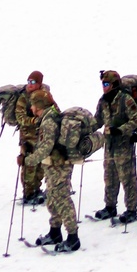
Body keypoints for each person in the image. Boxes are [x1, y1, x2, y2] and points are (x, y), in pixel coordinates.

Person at [23, 89, 87, 252]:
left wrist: (28, 160)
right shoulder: (47, 117)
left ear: (40, 105)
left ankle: (73, 237)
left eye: (33, 105)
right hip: (52, 166)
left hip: (59, 166)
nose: (31, 109)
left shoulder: (49, 121)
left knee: (62, 199)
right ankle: (55, 232)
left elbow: (46, 147)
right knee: (52, 199)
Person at [93, 69, 137, 224]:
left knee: (127, 178)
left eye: (106, 84)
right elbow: (98, 120)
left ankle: (132, 209)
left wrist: (120, 130)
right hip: (109, 145)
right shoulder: (103, 101)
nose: (104, 87)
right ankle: (110, 206)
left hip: (123, 145)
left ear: (114, 84)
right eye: (103, 84)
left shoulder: (125, 100)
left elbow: (135, 120)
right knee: (109, 176)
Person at [16, 72, 47, 206]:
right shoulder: (23, 98)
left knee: (40, 164)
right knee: (29, 165)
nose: (30, 85)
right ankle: (28, 193)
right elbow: (20, 118)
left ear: (39, 84)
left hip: (41, 136)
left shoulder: (44, 96)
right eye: (29, 82)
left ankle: (37, 188)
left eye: (33, 82)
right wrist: (34, 120)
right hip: (28, 137)